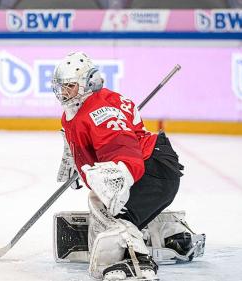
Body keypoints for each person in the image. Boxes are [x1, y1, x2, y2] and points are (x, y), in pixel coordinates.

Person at [52, 52, 184, 281]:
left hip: (151, 171)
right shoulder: (80, 107)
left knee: (104, 207)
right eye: (62, 86)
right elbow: (75, 131)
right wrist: (75, 159)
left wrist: (119, 174)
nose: (64, 92)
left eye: (70, 86)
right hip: (154, 164)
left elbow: (123, 147)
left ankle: (138, 260)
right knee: (103, 206)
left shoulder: (99, 112)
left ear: (87, 83)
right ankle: (160, 233)